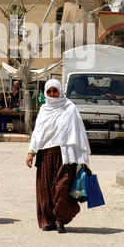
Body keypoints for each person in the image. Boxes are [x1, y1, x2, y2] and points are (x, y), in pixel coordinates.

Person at [26, 79, 91, 233]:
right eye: (49, 91)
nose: (53, 94)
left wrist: (82, 159)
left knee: (61, 188)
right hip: (45, 155)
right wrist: (31, 152)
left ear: (60, 91)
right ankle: (48, 221)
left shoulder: (70, 109)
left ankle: (59, 220)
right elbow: (37, 133)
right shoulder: (44, 110)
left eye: (55, 90)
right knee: (45, 189)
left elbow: (79, 134)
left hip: (66, 155)